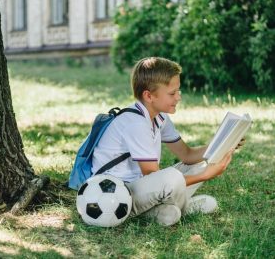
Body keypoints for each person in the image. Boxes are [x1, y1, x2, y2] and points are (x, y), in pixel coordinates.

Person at [91, 57, 245, 226]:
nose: (178, 97)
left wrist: (221, 145)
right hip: (117, 194)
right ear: (149, 96)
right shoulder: (136, 124)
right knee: (172, 176)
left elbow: (186, 155)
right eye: (172, 93)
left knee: (201, 163)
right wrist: (206, 175)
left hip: (140, 186)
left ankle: (168, 210)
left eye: (178, 91)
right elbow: (155, 178)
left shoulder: (159, 116)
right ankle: (182, 207)